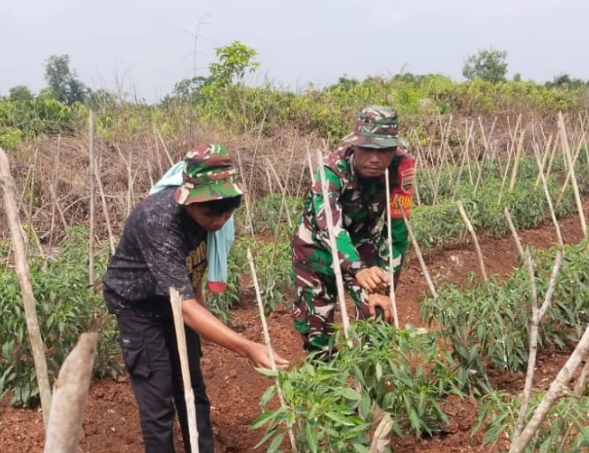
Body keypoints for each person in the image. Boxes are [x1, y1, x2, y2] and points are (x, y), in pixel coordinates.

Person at [102, 144, 290, 453]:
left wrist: (202, 313)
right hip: (138, 306)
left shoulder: (214, 216)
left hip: (176, 300)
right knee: (157, 398)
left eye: (226, 213)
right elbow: (187, 309)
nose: (218, 221)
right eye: (210, 213)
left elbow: (192, 277)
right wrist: (247, 347)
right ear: (187, 200)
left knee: (191, 387)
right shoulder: (158, 221)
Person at [290, 105, 416, 359]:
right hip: (316, 249)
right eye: (367, 149)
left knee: (377, 314)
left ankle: (368, 373)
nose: (375, 158)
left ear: (394, 150)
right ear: (355, 146)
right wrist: (358, 269)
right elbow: (330, 227)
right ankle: (324, 375)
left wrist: (384, 287)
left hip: (362, 244)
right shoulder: (331, 171)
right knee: (317, 331)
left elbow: (397, 232)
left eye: (384, 150)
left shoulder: (401, 168)